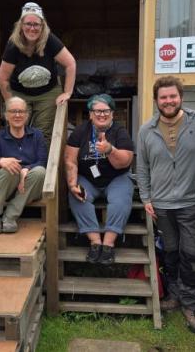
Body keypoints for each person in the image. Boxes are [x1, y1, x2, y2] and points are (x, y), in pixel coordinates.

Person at [136, 76, 195, 335]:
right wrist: (146, 197)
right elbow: (142, 166)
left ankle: (192, 304)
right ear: (156, 100)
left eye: (173, 96)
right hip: (161, 204)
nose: (168, 101)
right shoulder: (146, 130)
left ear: (180, 97)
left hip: (192, 202)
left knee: (192, 253)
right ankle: (174, 294)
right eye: (163, 97)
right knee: (170, 252)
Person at [64, 94, 134, 265]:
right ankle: (95, 242)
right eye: (97, 111)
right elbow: (70, 160)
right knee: (77, 196)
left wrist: (110, 150)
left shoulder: (120, 132)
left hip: (116, 178)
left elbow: (125, 161)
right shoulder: (80, 131)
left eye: (105, 111)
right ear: (90, 114)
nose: (101, 115)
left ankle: (109, 244)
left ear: (112, 113)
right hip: (88, 178)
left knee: (120, 200)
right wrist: (72, 183)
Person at [0, 2, 76, 145]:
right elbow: (3, 78)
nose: (32, 28)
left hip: (48, 92)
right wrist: (10, 102)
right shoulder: (13, 45)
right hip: (20, 93)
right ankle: (19, 164)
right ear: (21, 25)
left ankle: (41, 166)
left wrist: (67, 92)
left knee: (43, 132)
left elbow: (70, 64)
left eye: (36, 24)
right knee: (18, 128)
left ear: (42, 26)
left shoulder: (50, 40)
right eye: (28, 24)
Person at [0, 97, 47, 234]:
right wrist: (0, 162)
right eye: (13, 111)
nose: (17, 115)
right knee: (9, 168)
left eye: (21, 111)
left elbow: (42, 161)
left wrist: (27, 169)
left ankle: (10, 216)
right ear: (6, 115)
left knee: (40, 172)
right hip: (5, 187)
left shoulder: (37, 135)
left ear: (27, 115)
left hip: (29, 185)